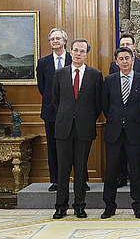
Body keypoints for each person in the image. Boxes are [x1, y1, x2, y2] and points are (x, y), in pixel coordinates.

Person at [52, 39, 102, 219]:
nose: (78, 53)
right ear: (70, 52)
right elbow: (55, 100)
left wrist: (85, 118)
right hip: (63, 128)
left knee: (81, 169)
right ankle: (60, 207)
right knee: (63, 170)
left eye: (82, 51)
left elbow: (98, 104)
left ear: (87, 54)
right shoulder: (60, 74)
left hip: (84, 128)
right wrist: (67, 115)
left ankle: (79, 206)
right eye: (75, 50)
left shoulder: (95, 75)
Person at [101, 47, 140, 219]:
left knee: (137, 171)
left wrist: (133, 119)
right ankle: (109, 206)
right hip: (114, 133)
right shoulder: (109, 80)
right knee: (111, 172)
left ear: (132, 60)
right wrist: (118, 120)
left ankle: (138, 206)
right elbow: (105, 106)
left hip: (135, 132)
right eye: (121, 59)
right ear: (116, 62)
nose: (124, 61)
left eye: (127, 58)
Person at [109, 33, 140, 189]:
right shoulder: (114, 66)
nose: (126, 46)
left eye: (128, 44)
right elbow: (110, 96)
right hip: (117, 120)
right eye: (123, 44)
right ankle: (121, 177)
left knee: (138, 152)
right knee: (119, 152)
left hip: (137, 118)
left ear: (134, 47)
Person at [36, 28, 72, 192]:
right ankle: (56, 180)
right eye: (52, 39)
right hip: (50, 112)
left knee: (75, 146)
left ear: (65, 41)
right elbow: (42, 88)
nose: (55, 41)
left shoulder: (74, 59)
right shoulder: (42, 63)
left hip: (72, 112)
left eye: (58, 38)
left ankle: (80, 179)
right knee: (53, 146)